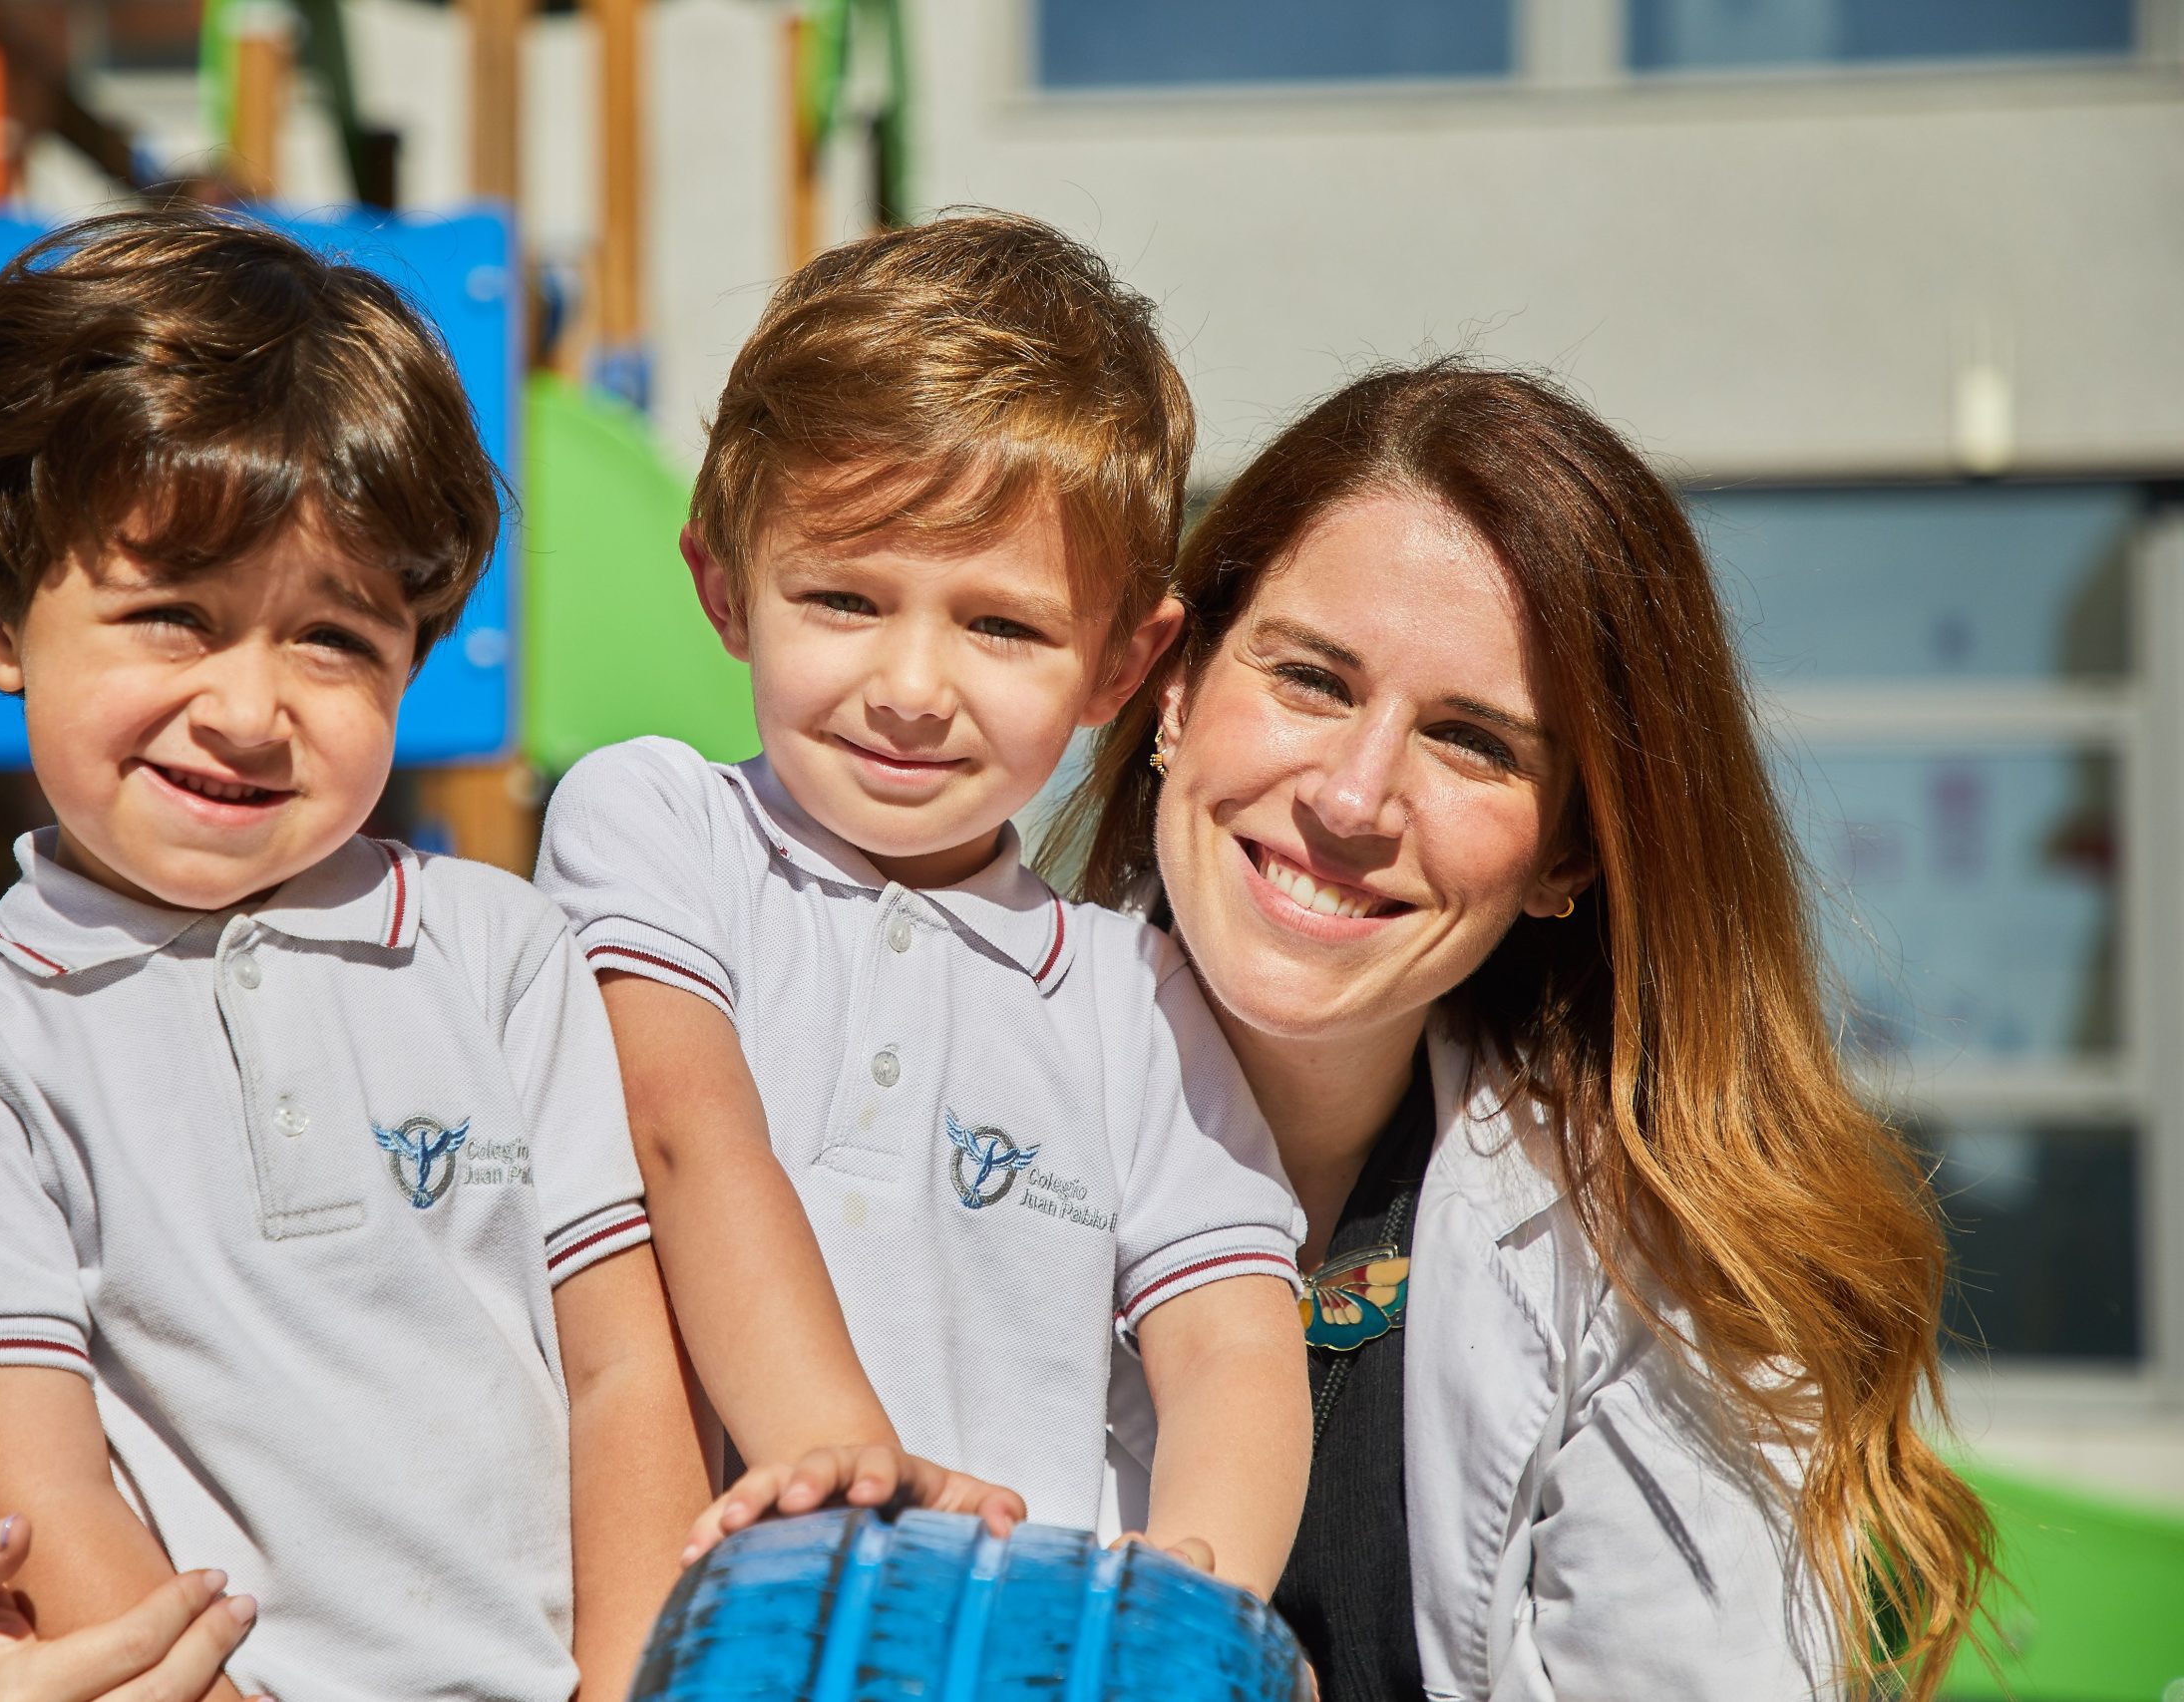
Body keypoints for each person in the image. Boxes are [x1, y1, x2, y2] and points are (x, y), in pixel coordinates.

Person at [0, 207, 713, 1702]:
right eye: (173, 617)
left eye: (334, 640)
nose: (251, 710)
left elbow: (630, 1372)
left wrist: (630, 1684)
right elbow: (37, 1503)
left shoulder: (500, 951)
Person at [1066, 362, 1995, 1698]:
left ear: (1569, 853)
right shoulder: (871, 1062)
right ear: (1173, 687)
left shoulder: (1652, 1264)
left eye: (1473, 742)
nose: (1355, 795)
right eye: (1313, 678)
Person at [532, 211, 1313, 1593]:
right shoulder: (657, 821)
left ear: (1122, 665)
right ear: (724, 586)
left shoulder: (1137, 995)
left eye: (1001, 626)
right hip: (720, 1622)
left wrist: (1190, 1602)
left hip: (1011, 1639)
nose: (910, 685)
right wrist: (845, 1463)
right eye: (842, 597)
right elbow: (684, 1128)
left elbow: (1231, 1338)